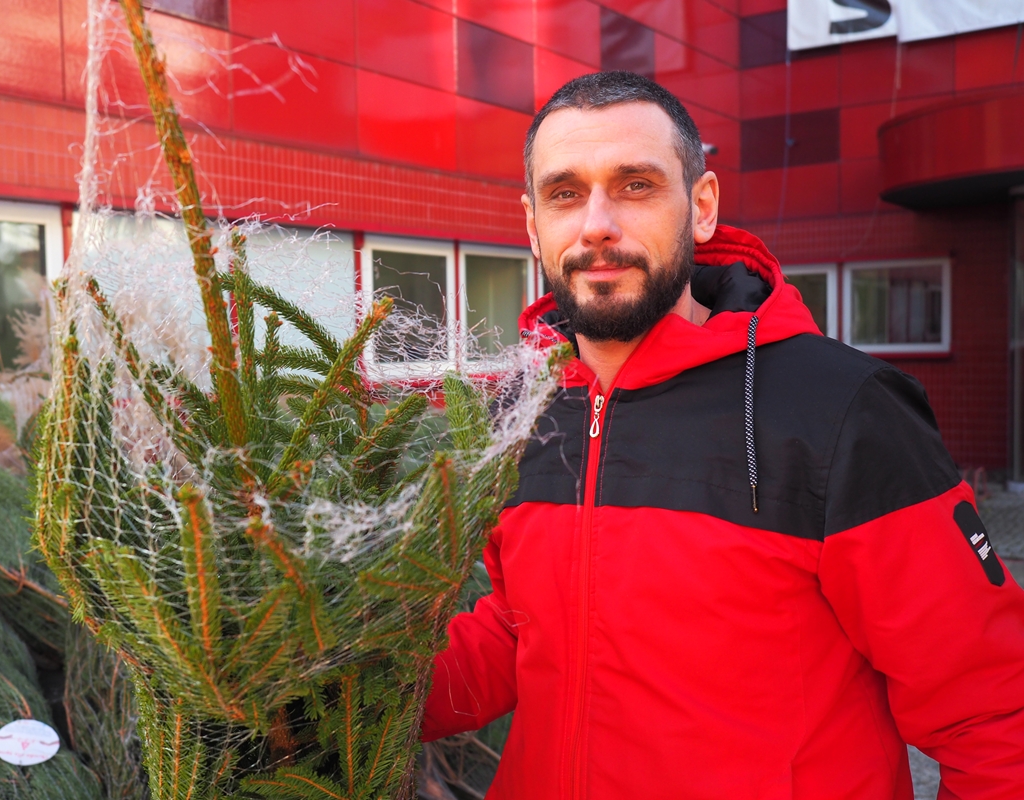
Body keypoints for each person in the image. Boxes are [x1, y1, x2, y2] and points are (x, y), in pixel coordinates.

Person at [421, 71, 1024, 799]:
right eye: (565, 193)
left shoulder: (841, 409)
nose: (596, 224)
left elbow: (993, 715)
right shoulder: (524, 409)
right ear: (532, 223)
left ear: (701, 207)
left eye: (636, 185)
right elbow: (519, 632)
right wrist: (341, 697)